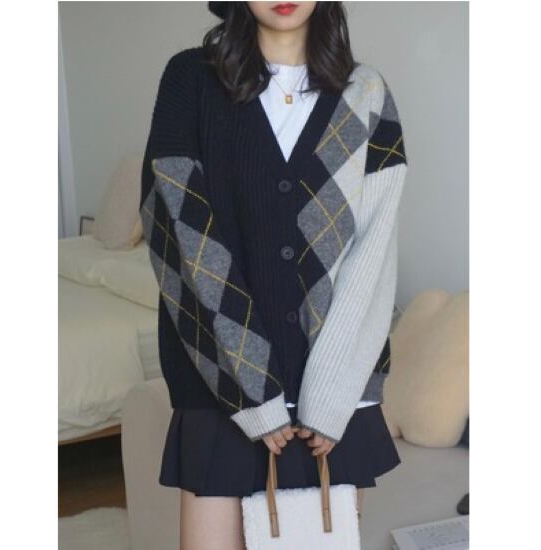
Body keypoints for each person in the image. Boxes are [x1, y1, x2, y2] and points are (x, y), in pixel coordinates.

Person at [139, 2, 408, 548]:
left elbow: (373, 256)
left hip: (333, 398)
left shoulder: (367, 94)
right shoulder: (191, 80)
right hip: (219, 384)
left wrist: (330, 395)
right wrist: (252, 387)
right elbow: (179, 235)